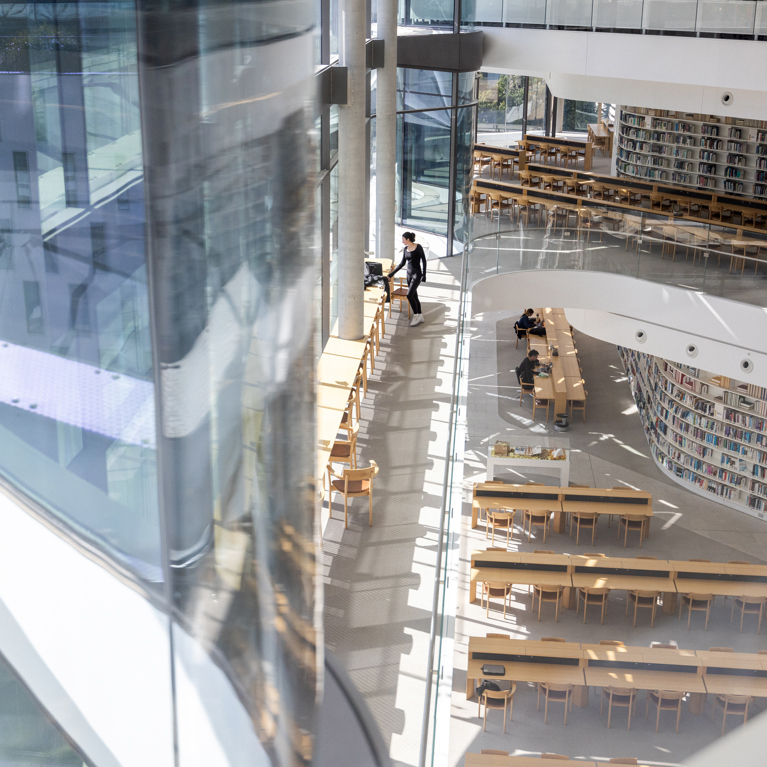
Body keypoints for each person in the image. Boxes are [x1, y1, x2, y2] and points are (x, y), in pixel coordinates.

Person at [390, 232, 427, 327]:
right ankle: (420, 315)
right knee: (414, 295)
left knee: (409, 295)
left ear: (408, 239)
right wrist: (391, 274)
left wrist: (424, 275)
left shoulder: (418, 247)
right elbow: (402, 263)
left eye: (403, 239)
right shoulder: (406, 249)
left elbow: (423, 260)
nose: (402, 241)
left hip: (417, 274)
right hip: (409, 275)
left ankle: (416, 315)